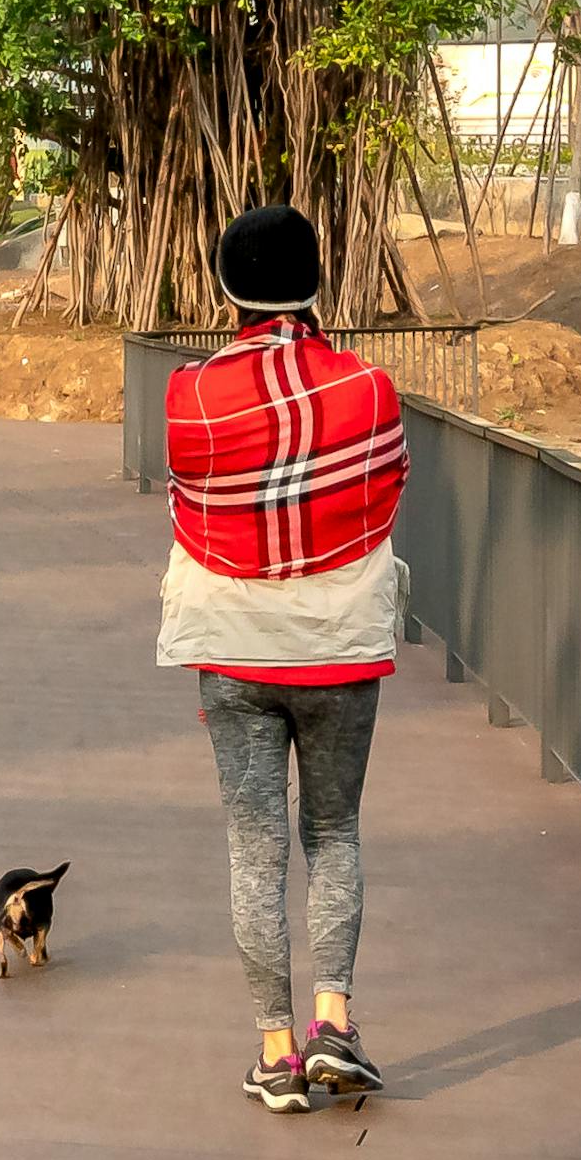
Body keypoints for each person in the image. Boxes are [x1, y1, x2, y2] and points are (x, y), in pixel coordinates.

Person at [154, 197, 405, 1112]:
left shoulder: (190, 396)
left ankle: (275, 1051)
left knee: (253, 849)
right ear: (314, 284)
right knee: (333, 835)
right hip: (340, 648)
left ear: (228, 295)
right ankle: (335, 1022)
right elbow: (387, 494)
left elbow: (187, 495)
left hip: (228, 648)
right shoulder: (371, 389)